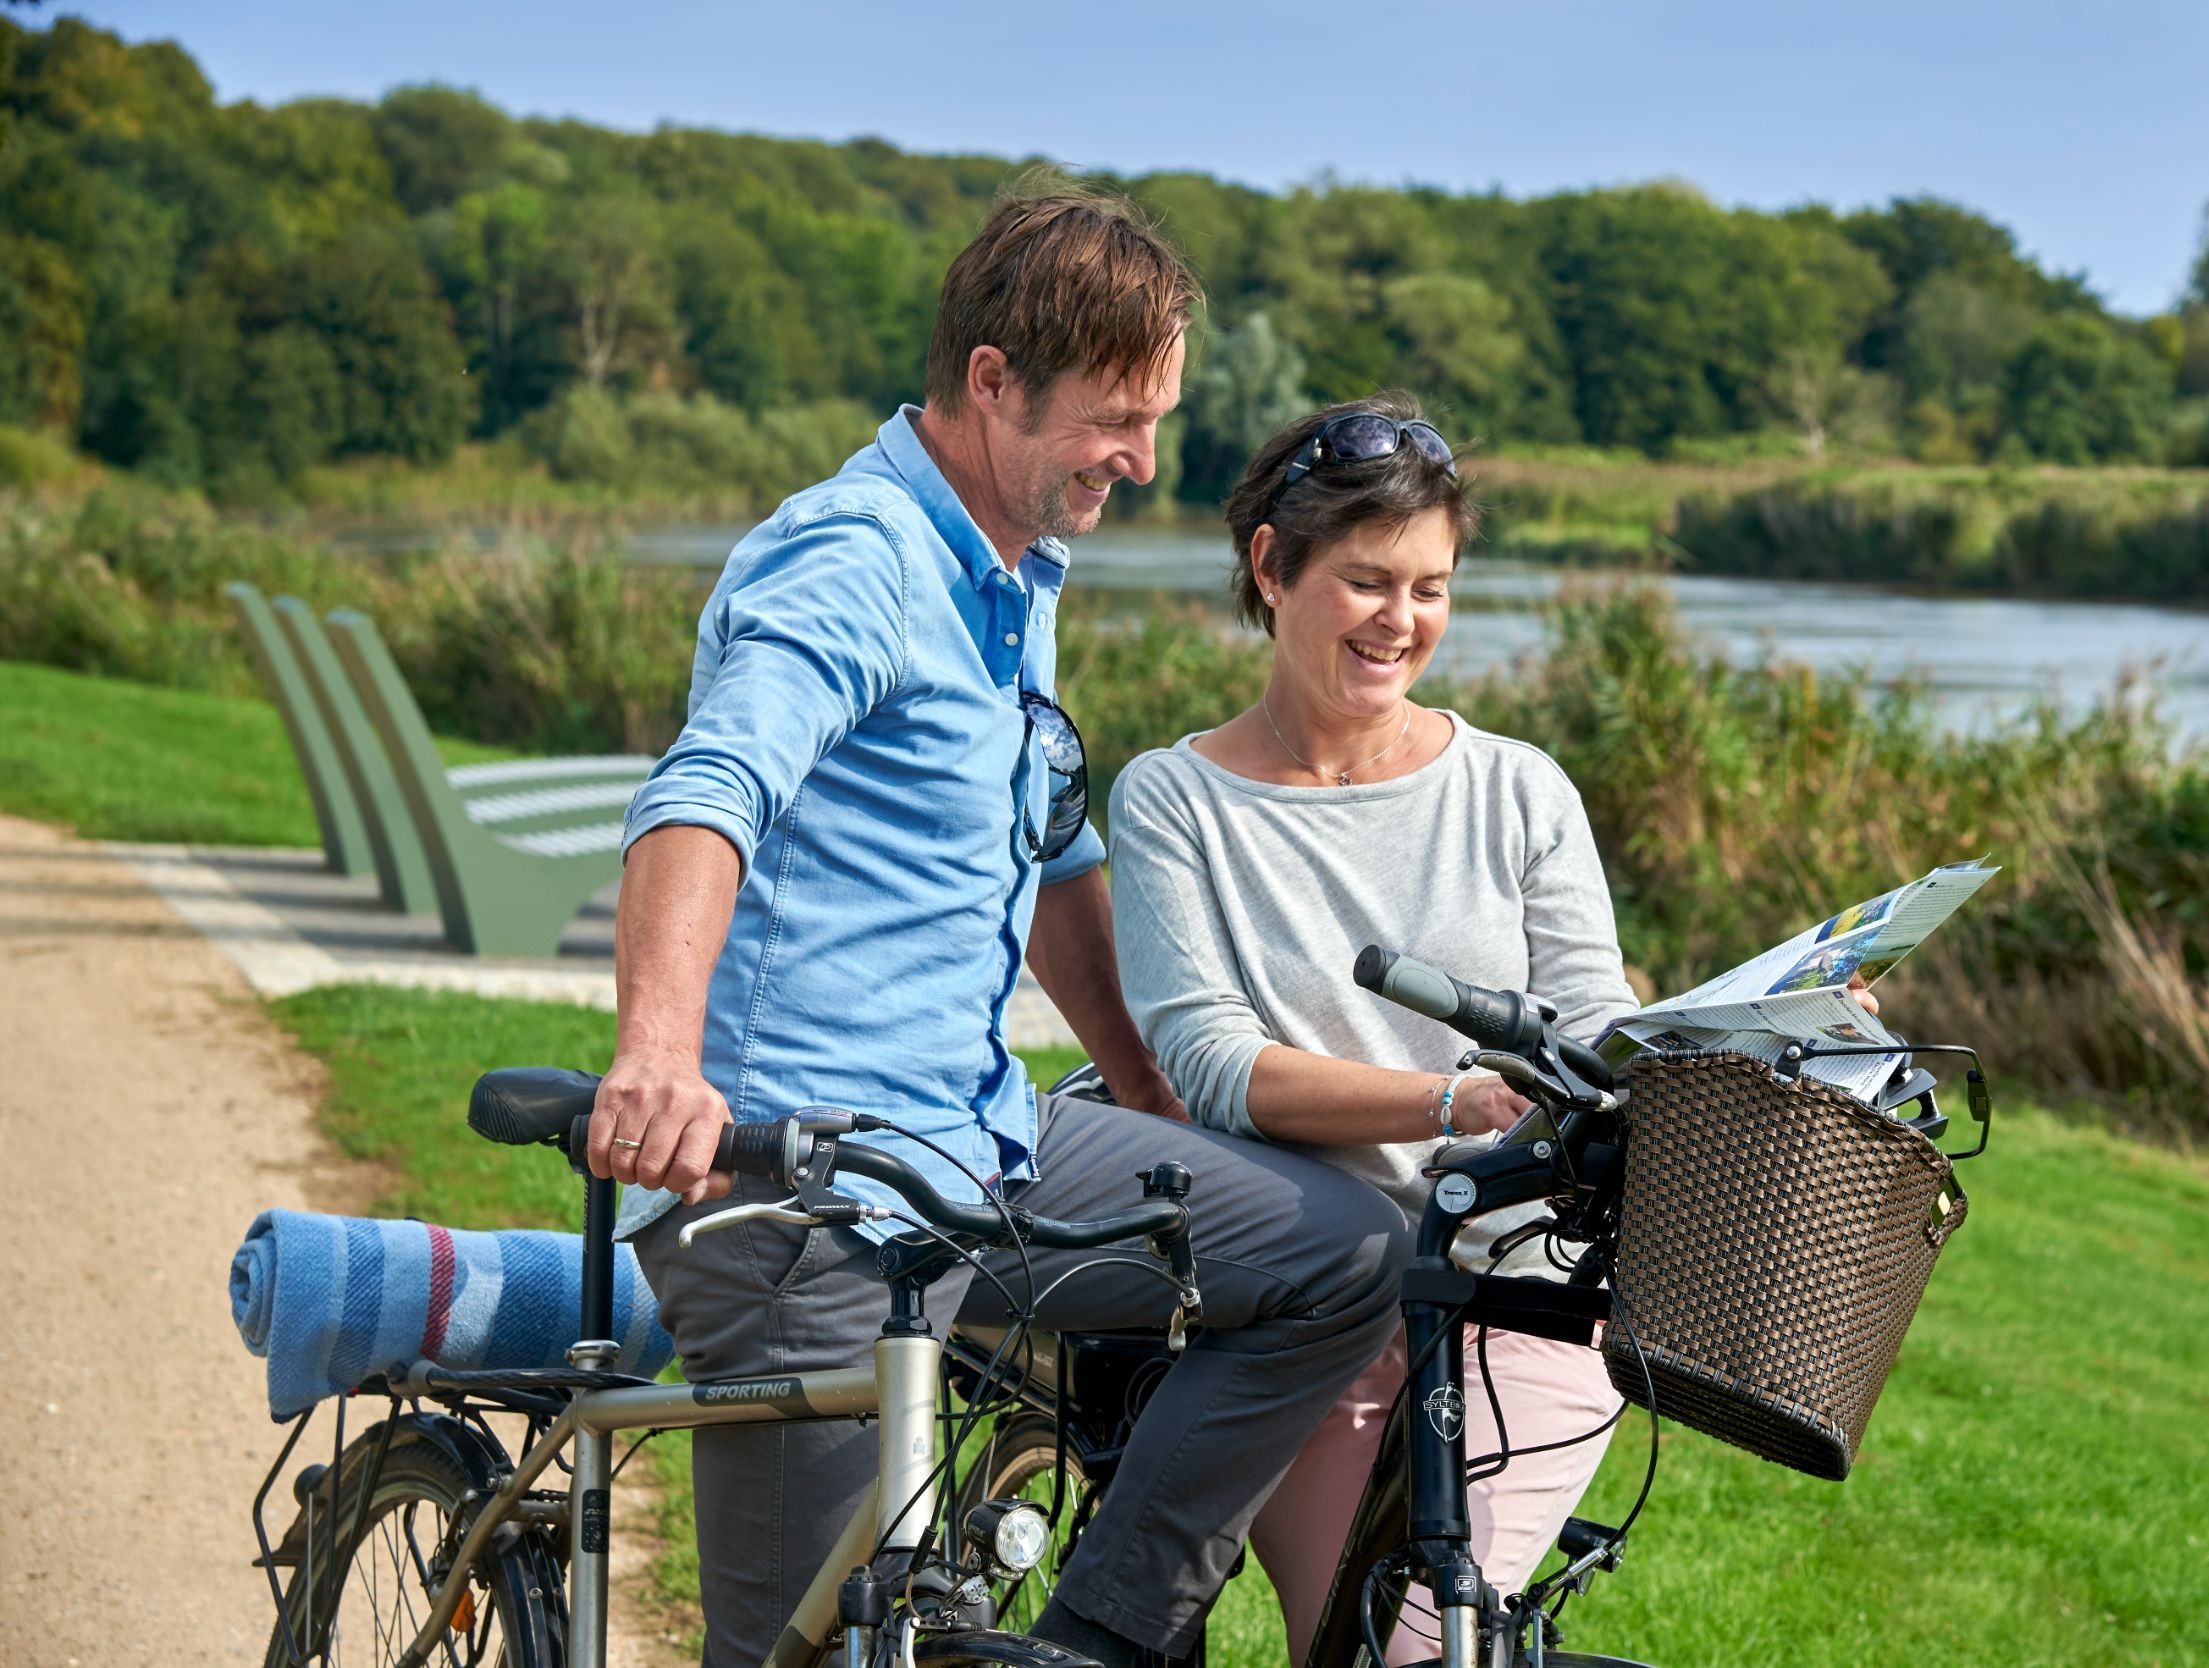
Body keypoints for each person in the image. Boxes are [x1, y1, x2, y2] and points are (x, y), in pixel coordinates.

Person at [590, 186, 1407, 1668]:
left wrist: (1145, 1080)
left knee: (1342, 1254)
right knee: (813, 1654)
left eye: (1154, 422)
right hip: (801, 1195)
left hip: (976, 1151)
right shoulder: (857, 558)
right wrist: (658, 1054)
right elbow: (705, 794)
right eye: (1115, 420)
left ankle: (1097, 1636)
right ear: (990, 382)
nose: (1140, 462)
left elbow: (1050, 843)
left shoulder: (1012, 564)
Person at [1104, 393, 1637, 1666]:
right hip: (1312, 1308)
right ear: (1271, 567)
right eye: (1366, 581)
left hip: (1523, 1292)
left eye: (1430, 588)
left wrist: (1767, 1023)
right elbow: (1212, 1065)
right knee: (1348, 1644)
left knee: (1420, 1649)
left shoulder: (1518, 789)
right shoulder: (1174, 800)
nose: (1401, 620)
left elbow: (1598, 1030)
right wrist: (1447, 1102)